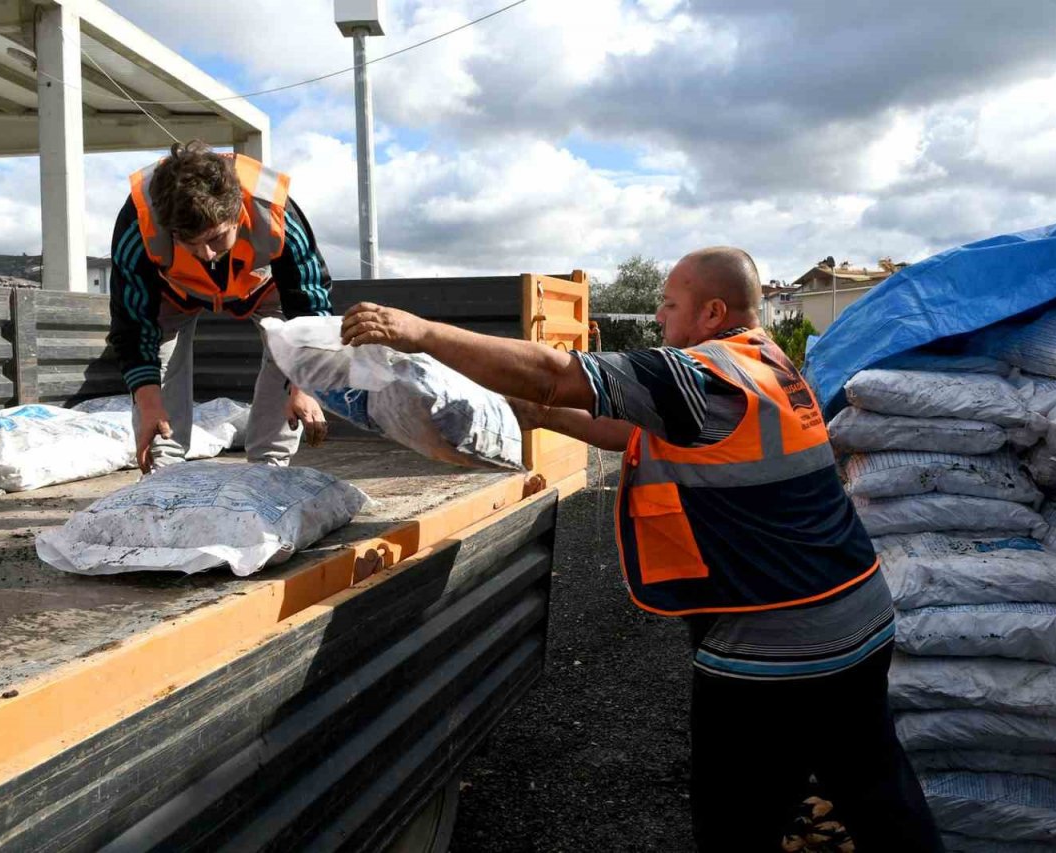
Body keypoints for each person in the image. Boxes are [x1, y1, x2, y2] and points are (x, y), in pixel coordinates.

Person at [339, 247, 944, 852]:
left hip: (773, 643)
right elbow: (632, 427)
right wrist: (541, 414)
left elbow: (554, 372)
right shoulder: (765, 363)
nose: (657, 316)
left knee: (735, 822)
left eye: (669, 304)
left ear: (712, 312)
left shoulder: (700, 373)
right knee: (876, 787)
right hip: (857, 614)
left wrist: (420, 332)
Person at [109, 140, 331, 473]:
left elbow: (311, 309)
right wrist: (149, 404)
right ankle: (163, 469)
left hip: (260, 285)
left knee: (288, 344)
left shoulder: (275, 210)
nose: (207, 254)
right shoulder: (138, 223)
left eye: (216, 238)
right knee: (156, 366)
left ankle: (269, 467)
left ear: (237, 213)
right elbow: (132, 325)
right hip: (174, 292)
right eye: (191, 243)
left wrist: (305, 385)